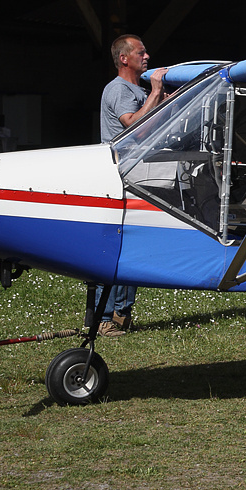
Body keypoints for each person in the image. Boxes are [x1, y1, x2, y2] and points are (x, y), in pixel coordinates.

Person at [95, 34, 168, 336]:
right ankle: (106, 318)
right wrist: (157, 89)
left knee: (131, 246)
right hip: (121, 177)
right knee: (119, 248)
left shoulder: (135, 90)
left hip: (135, 175)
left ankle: (119, 316)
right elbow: (135, 126)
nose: (147, 56)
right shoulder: (120, 90)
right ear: (124, 58)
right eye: (141, 52)